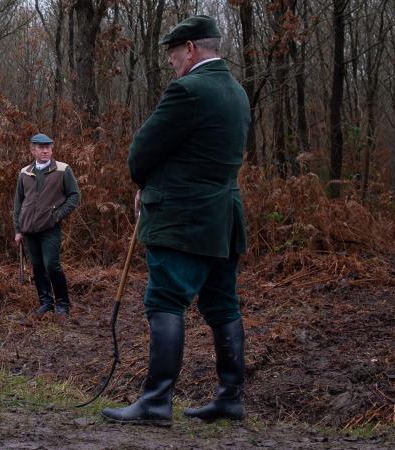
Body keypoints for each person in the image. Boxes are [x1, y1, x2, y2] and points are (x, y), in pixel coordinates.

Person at [101, 15, 250, 427]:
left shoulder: (188, 90)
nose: (171, 62)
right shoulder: (237, 92)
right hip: (224, 217)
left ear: (190, 50)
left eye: (172, 54)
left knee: (166, 300)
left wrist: (146, 183)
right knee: (223, 304)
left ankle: (155, 402)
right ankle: (230, 398)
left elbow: (141, 154)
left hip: (182, 218)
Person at [12, 133, 81, 316]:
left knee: (51, 265)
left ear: (52, 149)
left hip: (50, 228)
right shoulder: (25, 172)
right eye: (41, 148)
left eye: (48, 147)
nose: (45, 151)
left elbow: (74, 196)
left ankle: (63, 304)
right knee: (37, 266)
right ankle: (46, 302)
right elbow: (18, 203)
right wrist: (18, 230)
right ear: (33, 150)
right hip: (28, 230)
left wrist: (56, 216)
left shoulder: (62, 170)